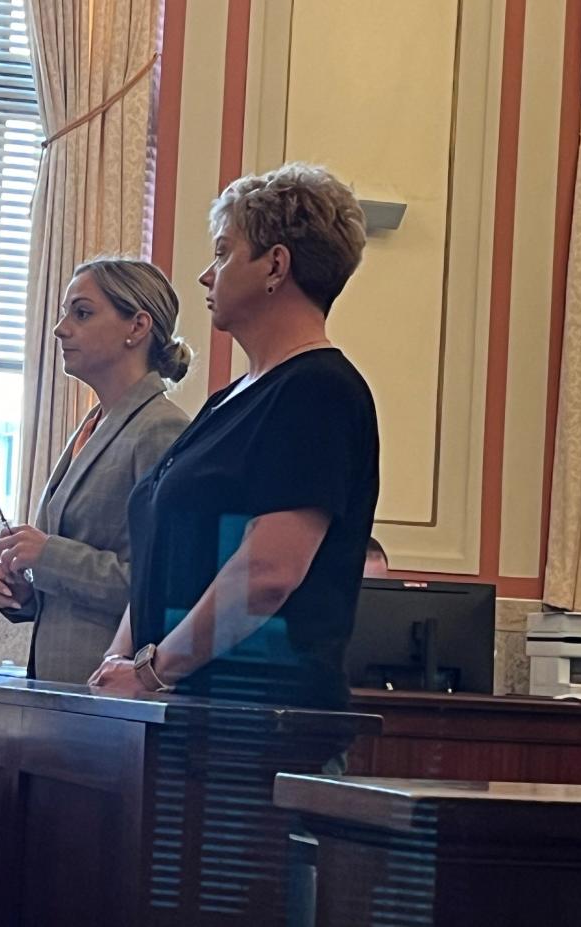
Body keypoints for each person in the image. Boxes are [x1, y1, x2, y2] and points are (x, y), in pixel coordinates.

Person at [89, 163, 379, 710]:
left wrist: (151, 673)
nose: (206, 274)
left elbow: (268, 573)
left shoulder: (319, 391)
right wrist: (117, 663)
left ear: (275, 265)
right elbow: (161, 556)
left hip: (254, 729)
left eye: (223, 253)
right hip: (180, 716)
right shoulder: (229, 400)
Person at [0, 258, 191, 683]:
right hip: (62, 687)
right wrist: (27, 592)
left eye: (81, 313)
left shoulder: (161, 428)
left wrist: (47, 555)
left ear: (137, 327)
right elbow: (71, 587)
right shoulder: (93, 424)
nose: (61, 328)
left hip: (110, 690)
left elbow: (162, 585)